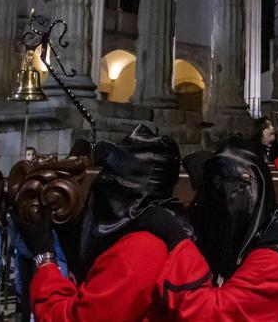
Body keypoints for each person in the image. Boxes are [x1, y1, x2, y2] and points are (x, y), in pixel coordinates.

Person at [19, 126, 192, 321]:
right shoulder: (160, 231)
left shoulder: (138, 251)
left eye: (109, 177)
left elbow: (76, 317)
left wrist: (45, 256)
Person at [160, 144, 278, 321]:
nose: (211, 207)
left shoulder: (275, 251)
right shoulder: (266, 226)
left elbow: (213, 314)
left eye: (219, 187)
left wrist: (175, 238)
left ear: (246, 186)